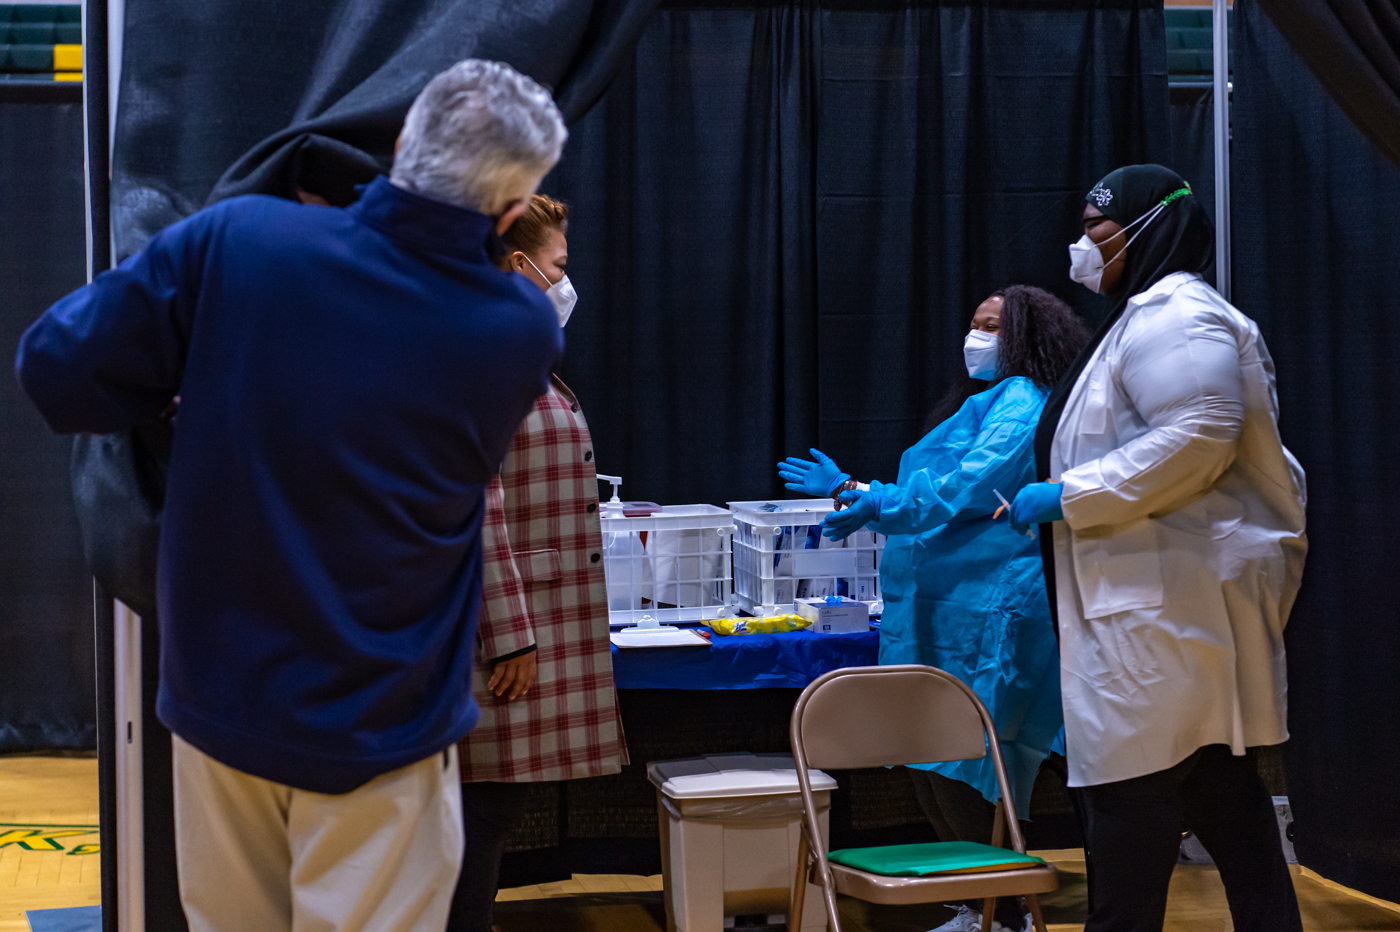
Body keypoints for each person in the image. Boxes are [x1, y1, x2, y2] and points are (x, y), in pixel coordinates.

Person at [16, 60, 567, 932]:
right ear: (509, 213)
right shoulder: (518, 328)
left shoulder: (239, 241)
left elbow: (54, 366)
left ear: (397, 148)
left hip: (221, 700)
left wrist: (185, 385)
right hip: (383, 723)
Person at [1009, 164, 1307, 932]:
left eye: (1098, 233)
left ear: (1150, 231)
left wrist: (1069, 496)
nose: (1082, 248)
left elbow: (1201, 434)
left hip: (1163, 623)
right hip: (1160, 623)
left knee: (1129, 837)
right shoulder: (1146, 318)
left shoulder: (1179, 318)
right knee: (1225, 812)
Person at [779, 285, 1089, 932]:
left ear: (1026, 338)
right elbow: (942, 495)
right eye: (972, 323)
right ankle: (971, 904)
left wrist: (857, 493)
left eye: (992, 326)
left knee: (968, 765)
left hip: (990, 615)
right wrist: (861, 491)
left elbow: (959, 489)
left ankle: (1003, 915)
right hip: (948, 611)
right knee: (929, 758)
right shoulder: (983, 404)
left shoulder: (1022, 408)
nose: (976, 337)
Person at [446, 194, 627, 932]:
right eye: (557, 265)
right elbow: (477, 498)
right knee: (483, 806)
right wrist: (511, 633)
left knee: (489, 807)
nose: (565, 279)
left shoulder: (512, 353)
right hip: (507, 635)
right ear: (518, 265)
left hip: (532, 620)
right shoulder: (486, 356)